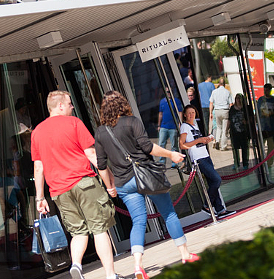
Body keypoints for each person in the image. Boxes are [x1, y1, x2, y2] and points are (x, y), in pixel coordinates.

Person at [95, 92, 199, 279]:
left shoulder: (101, 132)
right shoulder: (132, 121)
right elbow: (148, 147)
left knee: (138, 221)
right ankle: (185, 254)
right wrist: (171, 154)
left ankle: (137, 266)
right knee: (169, 213)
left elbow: (101, 165)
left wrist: (109, 185)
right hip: (146, 176)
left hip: (123, 183)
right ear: (122, 104)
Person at [31, 91, 119, 279]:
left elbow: (38, 167)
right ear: (60, 106)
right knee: (99, 229)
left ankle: (77, 265)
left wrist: (40, 197)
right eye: (70, 104)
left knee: (78, 232)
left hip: (59, 191)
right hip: (84, 183)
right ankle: (111, 275)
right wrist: (109, 182)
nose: (72, 106)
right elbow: (93, 155)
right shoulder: (74, 123)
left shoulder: (37, 132)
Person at [179, 105, 235, 218]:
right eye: (189, 113)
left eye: (193, 113)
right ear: (184, 114)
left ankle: (220, 210)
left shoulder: (194, 125)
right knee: (216, 179)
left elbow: (197, 141)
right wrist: (198, 140)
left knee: (212, 182)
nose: (191, 115)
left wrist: (205, 140)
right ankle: (206, 205)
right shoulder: (184, 126)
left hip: (205, 155)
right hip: (198, 158)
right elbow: (182, 145)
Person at [256, 84, 274, 168]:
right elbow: (257, 113)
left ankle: (269, 163)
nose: (266, 92)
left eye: (267, 90)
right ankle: (262, 162)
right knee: (261, 145)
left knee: (271, 146)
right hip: (262, 127)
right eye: (265, 90)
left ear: (270, 90)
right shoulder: (260, 100)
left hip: (272, 127)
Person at [157, 91, 183, 167]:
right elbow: (160, 113)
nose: (168, 93)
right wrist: (159, 125)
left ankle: (175, 162)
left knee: (174, 145)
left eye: (169, 92)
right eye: (167, 92)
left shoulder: (176, 101)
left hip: (173, 126)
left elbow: (180, 112)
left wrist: (179, 123)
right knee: (161, 144)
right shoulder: (162, 101)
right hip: (163, 126)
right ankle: (162, 162)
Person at [228, 94, 250, 171]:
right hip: (234, 132)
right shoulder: (232, 109)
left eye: (240, 98)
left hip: (244, 132)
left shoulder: (246, 108)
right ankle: (236, 162)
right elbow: (229, 120)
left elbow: (251, 119)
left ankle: (245, 163)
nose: (238, 100)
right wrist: (227, 129)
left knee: (244, 148)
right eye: (237, 98)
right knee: (235, 148)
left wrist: (246, 122)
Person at [209, 78, 233, 150]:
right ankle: (223, 146)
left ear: (219, 84)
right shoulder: (227, 92)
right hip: (225, 110)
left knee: (218, 127)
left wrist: (210, 112)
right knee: (224, 129)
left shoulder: (214, 92)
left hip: (217, 110)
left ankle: (217, 140)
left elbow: (211, 103)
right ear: (225, 84)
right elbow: (231, 104)